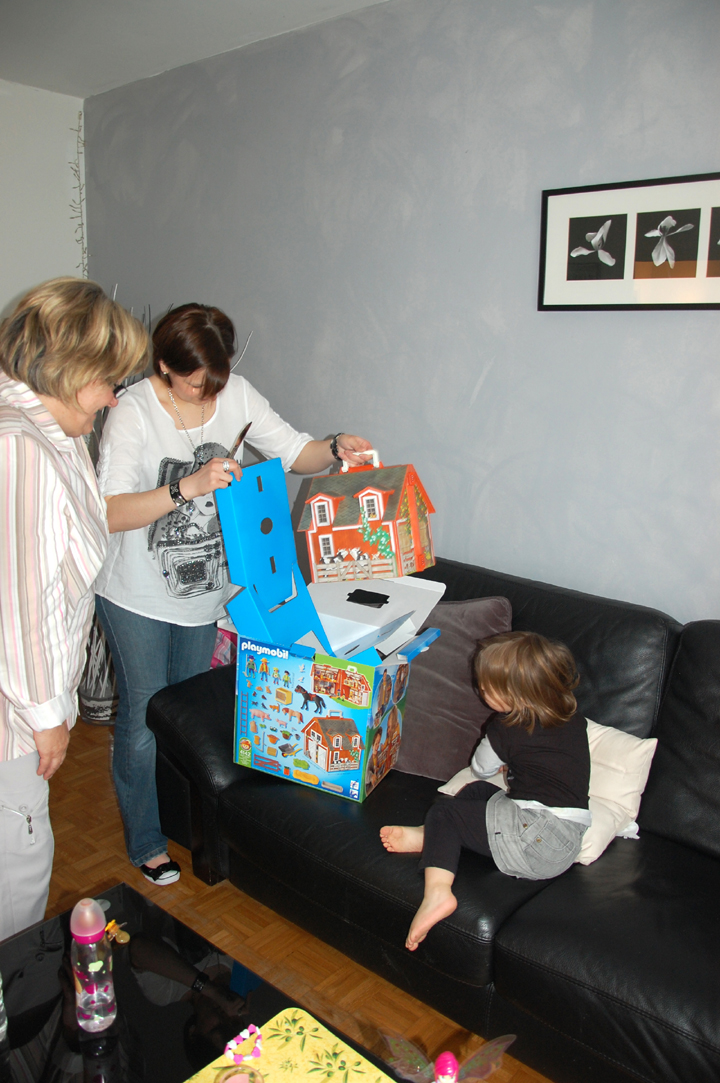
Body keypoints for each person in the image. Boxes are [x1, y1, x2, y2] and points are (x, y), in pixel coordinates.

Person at [95, 302, 372, 885]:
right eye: (195, 382)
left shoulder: (237, 394)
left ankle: (184, 822)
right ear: (164, 365)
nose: (207, 393)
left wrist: (335, 445)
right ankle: (147, 842)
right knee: (144, 716)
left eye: (215, 380)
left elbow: (296, 453)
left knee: (189, 716)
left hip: (205, 596)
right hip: (135, 593)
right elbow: (112, 512)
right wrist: (187, 487)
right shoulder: (134, 410)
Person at [0, 277, 149, 941]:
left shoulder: (47, 432)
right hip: (12, 715)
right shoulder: (20, 446)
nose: (114, 397)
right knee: (18, 873)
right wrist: (47, 716)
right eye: (108, 381)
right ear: (69, 369)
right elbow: (21, 603)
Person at [380, 631, 591, 951]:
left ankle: (437, 893)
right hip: (566, 837)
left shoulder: (505, 729)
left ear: (512, 693)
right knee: (476, 791)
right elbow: (549, 764)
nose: (480, 690)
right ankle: (430, 837)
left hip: (536, 842)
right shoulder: (572, 719)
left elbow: (481, 767)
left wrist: (502, 757)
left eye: (485, 687)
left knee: (447, 811)